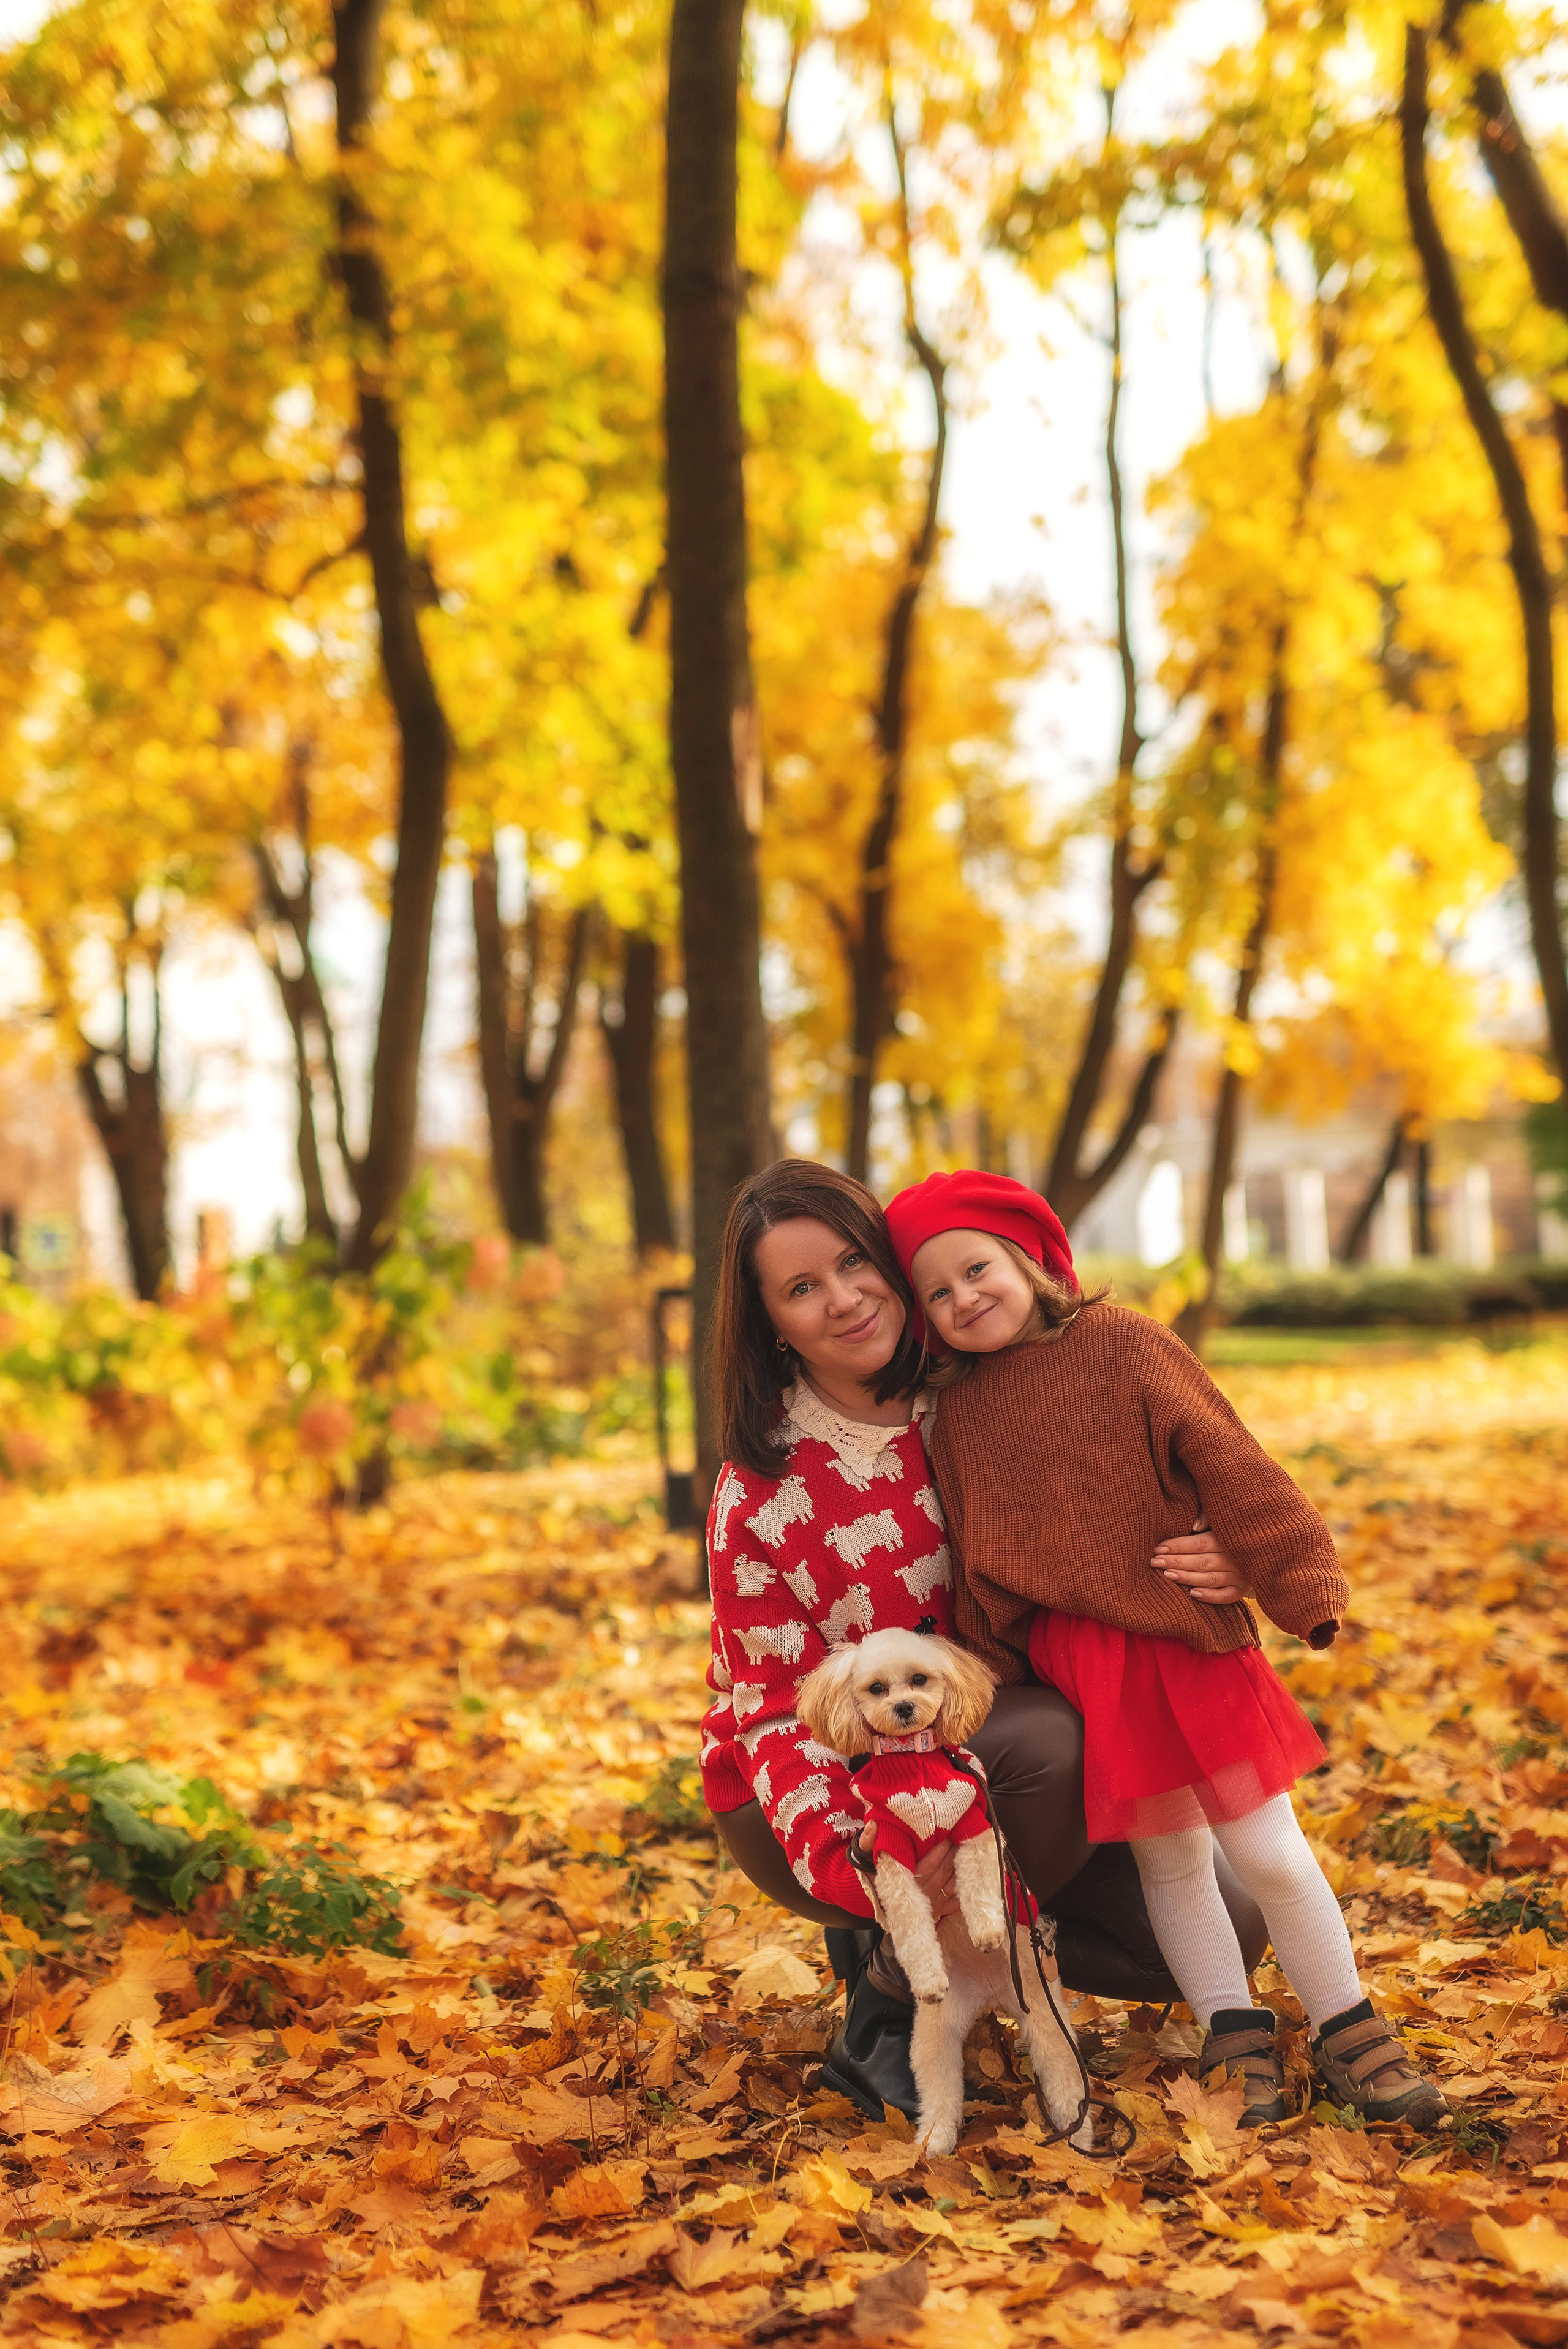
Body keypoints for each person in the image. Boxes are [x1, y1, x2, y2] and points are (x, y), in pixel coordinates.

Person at [699, 1158, 1269, 2122]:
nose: (842, 1301)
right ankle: (889, 1996)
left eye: (852, 1263)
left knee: (1228, 1928)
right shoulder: (758, 1492)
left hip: (993, 1756)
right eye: (802, 1289)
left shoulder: (983, 1396)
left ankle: (966, 1941)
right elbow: (767, 1712)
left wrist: (1226, 1552)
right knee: (1049, 1743)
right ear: (771, 1323)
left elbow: (1127, 1503)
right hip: (822, 1788)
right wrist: (861, 1855)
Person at [886, 1166, 1446, 2128]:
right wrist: (989, 1677)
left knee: (1267, 1850)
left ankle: (1350, 2028)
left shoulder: (1125, 1344)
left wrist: (1288, 1576)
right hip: (1086, 1669)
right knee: (1170, 1866)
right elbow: (980, 1558)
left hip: (1185, 1642)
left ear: (1030, 1259)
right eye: (936, 1292)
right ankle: (1237, 2041)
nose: (963, 1298)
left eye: (977, 1269)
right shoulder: (960, 1414)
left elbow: (1231, 1461)